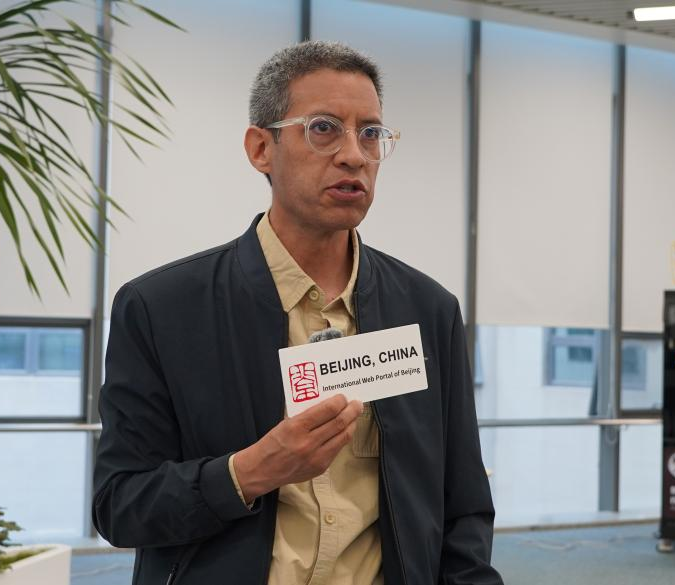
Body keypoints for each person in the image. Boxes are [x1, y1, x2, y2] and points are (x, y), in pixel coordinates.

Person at [92, 40, 502, 585]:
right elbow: (119, 505)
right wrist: (248, 473)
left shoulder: (427, 311)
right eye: (323, 128)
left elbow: (463, 507)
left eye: (371, 133)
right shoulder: (161, 309)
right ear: (262, 148)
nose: (354, 155)